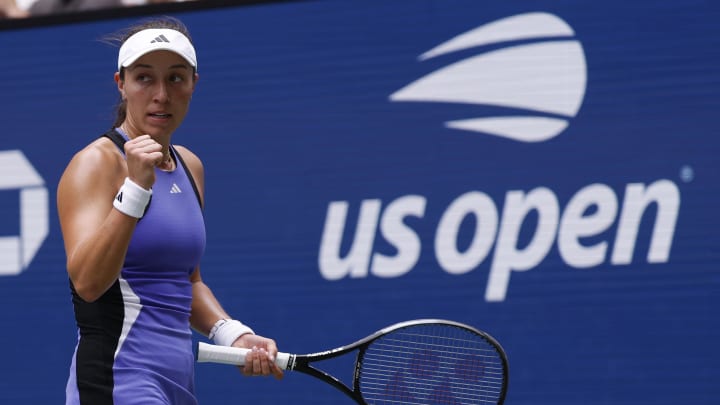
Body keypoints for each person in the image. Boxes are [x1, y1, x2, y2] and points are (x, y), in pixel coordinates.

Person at [57, 16, 283, 404]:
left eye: (176, 78)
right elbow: (88, 285)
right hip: (118, 378)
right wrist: (135, 189)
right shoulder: (95, 163)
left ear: (194, 84)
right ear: (122, 84)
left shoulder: (190, 166)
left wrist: (233, 334)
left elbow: (188, 282)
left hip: (176, 383)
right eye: (145, 78)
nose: (161, 94)